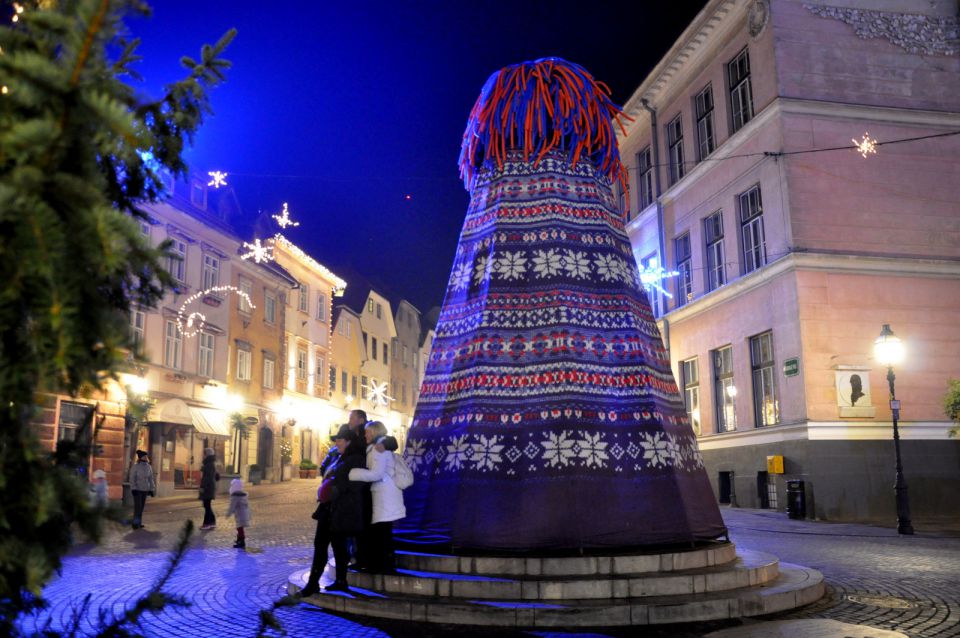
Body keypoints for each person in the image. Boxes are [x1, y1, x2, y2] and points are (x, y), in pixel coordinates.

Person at [299, 425, 365, 596]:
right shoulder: (340, 457)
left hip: (341, 510)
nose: (337, 443)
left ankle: (341, 581)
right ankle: (313, 583)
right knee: (320, 544)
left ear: (349, 441)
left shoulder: (356, 459)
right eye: (336, 440)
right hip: (328, 509)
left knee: (339, 547)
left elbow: (356, 484)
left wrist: (334, 489)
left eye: (340, 440)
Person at [349, 429, 406, 573]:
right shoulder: (380, 447)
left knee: (382, 533)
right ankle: (384, 565)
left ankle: (383, 566)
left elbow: (377, 474)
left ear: (374, 432)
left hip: (383, 496)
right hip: (387, 496)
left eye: (368, 432)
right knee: (384, 532)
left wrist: (353, 473)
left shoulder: (378, 449)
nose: (365, 434)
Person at [129, 450, 155, 529]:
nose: (146, 457)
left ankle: (139, 523)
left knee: (141, 507)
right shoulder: (136, 466)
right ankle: (135, 523)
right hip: (137, 490)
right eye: (145, 456)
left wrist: (151, 489)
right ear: (141, 457)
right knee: (138, 507)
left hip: (145, 490)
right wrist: (133, 488)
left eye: (146, 456)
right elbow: (132, 478)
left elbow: (151, 478)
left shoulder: (149, 467)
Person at [225, 478, 251, 549]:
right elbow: (247, 506)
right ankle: (239, 540)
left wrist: (228, 514)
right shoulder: (244, 495)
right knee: (239, 528)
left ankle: (241, 542)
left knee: (240, 528)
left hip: (240, 515)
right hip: (243, 514)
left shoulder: (235, 497)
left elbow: (232, 506)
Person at [199, 448, 219, 530]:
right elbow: (216, 477)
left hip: (208, 488)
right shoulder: (210, 464)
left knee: (207, 506)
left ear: (207, 455)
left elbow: (208, 478)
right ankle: (212, 522)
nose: (203, 455)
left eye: (204, 454)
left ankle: (207, 524)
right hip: (210, 487)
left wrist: (203, 487)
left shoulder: (209, 464)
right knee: (207, 505)